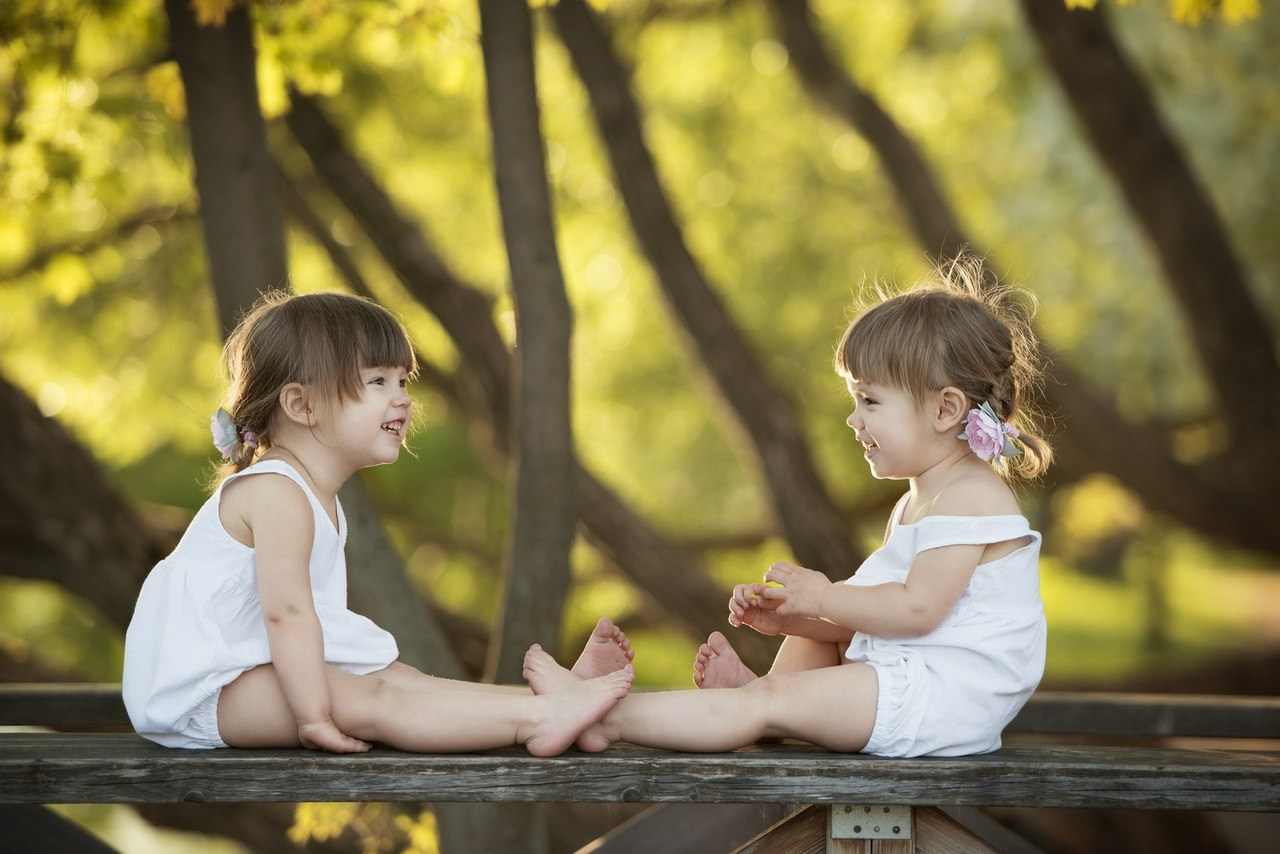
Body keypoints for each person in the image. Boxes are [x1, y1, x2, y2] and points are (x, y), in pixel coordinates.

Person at [525, 256, 1052, 757]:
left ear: (946, 409)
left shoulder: (971, 496)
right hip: (914, 676)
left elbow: (917, 612)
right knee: (811, 653)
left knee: (767, 701)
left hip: (942, 701)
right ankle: (761, 699)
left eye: (869, 401)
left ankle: (604, 716)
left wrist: (824, 594)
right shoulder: (920, 499)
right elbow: (872, 621)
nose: (854, 420)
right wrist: (799, 620)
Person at [123, 291, 633, 756]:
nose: (403, 398)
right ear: (301, 404)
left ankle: (553, 703)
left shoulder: (310, 495)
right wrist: (314, 716)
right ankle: (540, 718)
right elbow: (286, 615)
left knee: (400, 677)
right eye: (377, 381)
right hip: (202, 692)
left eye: (403, 380)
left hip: (247, 674)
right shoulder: (276, 491)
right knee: (371, 697)